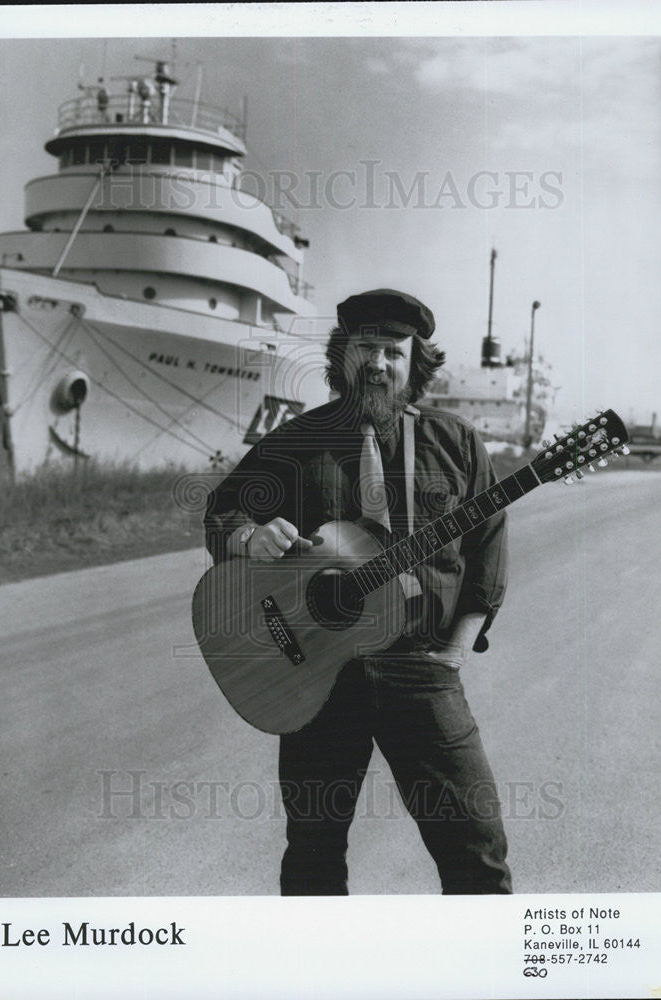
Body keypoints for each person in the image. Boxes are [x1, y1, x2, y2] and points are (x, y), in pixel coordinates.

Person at [204, 289, 511, 895]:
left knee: (477, 854)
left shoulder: (456, 443)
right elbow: (221, 511)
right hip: (317, 675)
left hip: (422, 669)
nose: (378, 363)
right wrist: (248, 537)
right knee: (314, 854)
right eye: (366, 347)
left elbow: (488, 554)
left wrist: (456, 650)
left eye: (393, 352)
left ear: (413, 363)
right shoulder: (295, 440)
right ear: (344, 355)